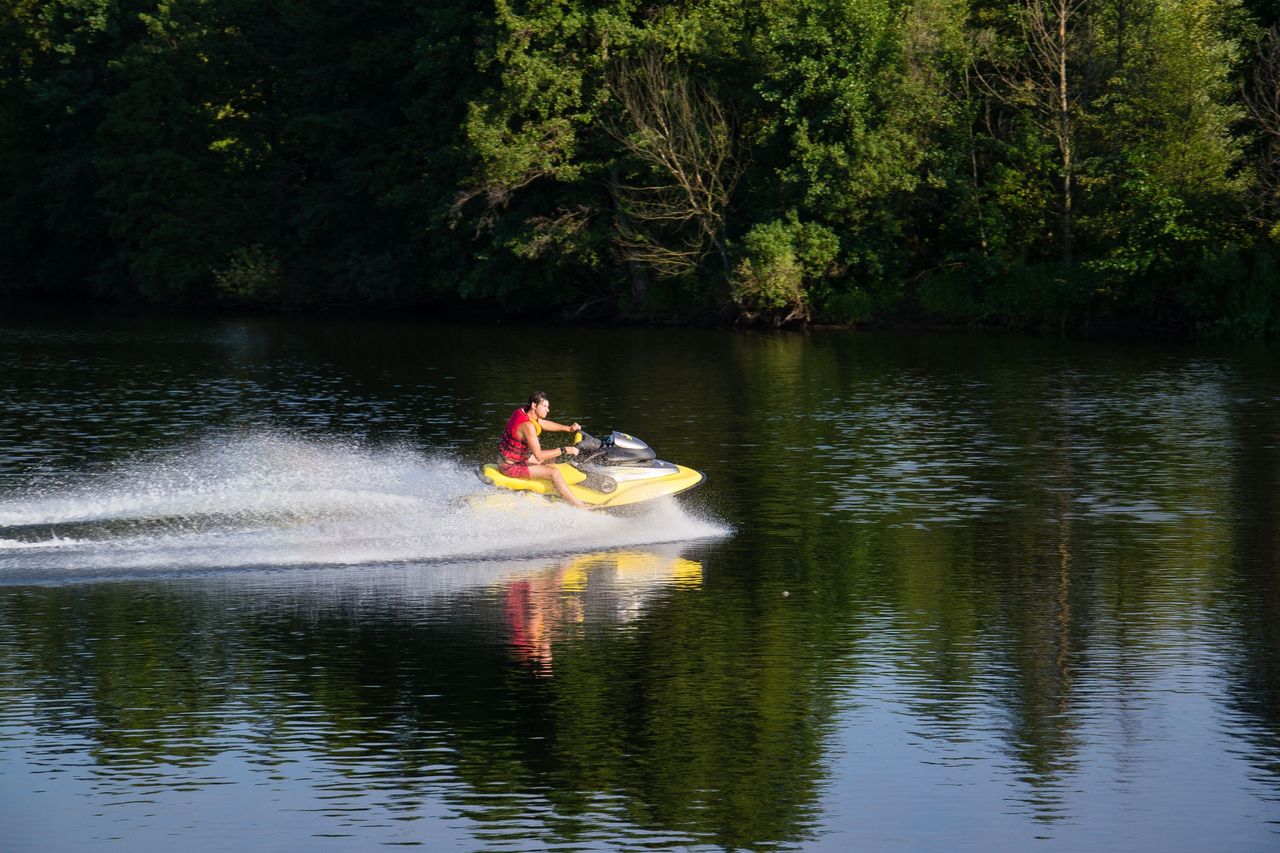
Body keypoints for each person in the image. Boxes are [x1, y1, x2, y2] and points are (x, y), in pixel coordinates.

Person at [497, 391, 586, 508]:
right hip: (510, 466)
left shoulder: (522, 412)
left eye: (547, 407)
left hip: (515, 459)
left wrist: (568, 428)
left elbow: (542, 423)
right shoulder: (527, 426)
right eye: (544, 406)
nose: (548, 410)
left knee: (551, 459)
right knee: (554, 473)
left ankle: (547, 493)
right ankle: (579, 506)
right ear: (534, 405)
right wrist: (565, 449)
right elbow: (538, 455)